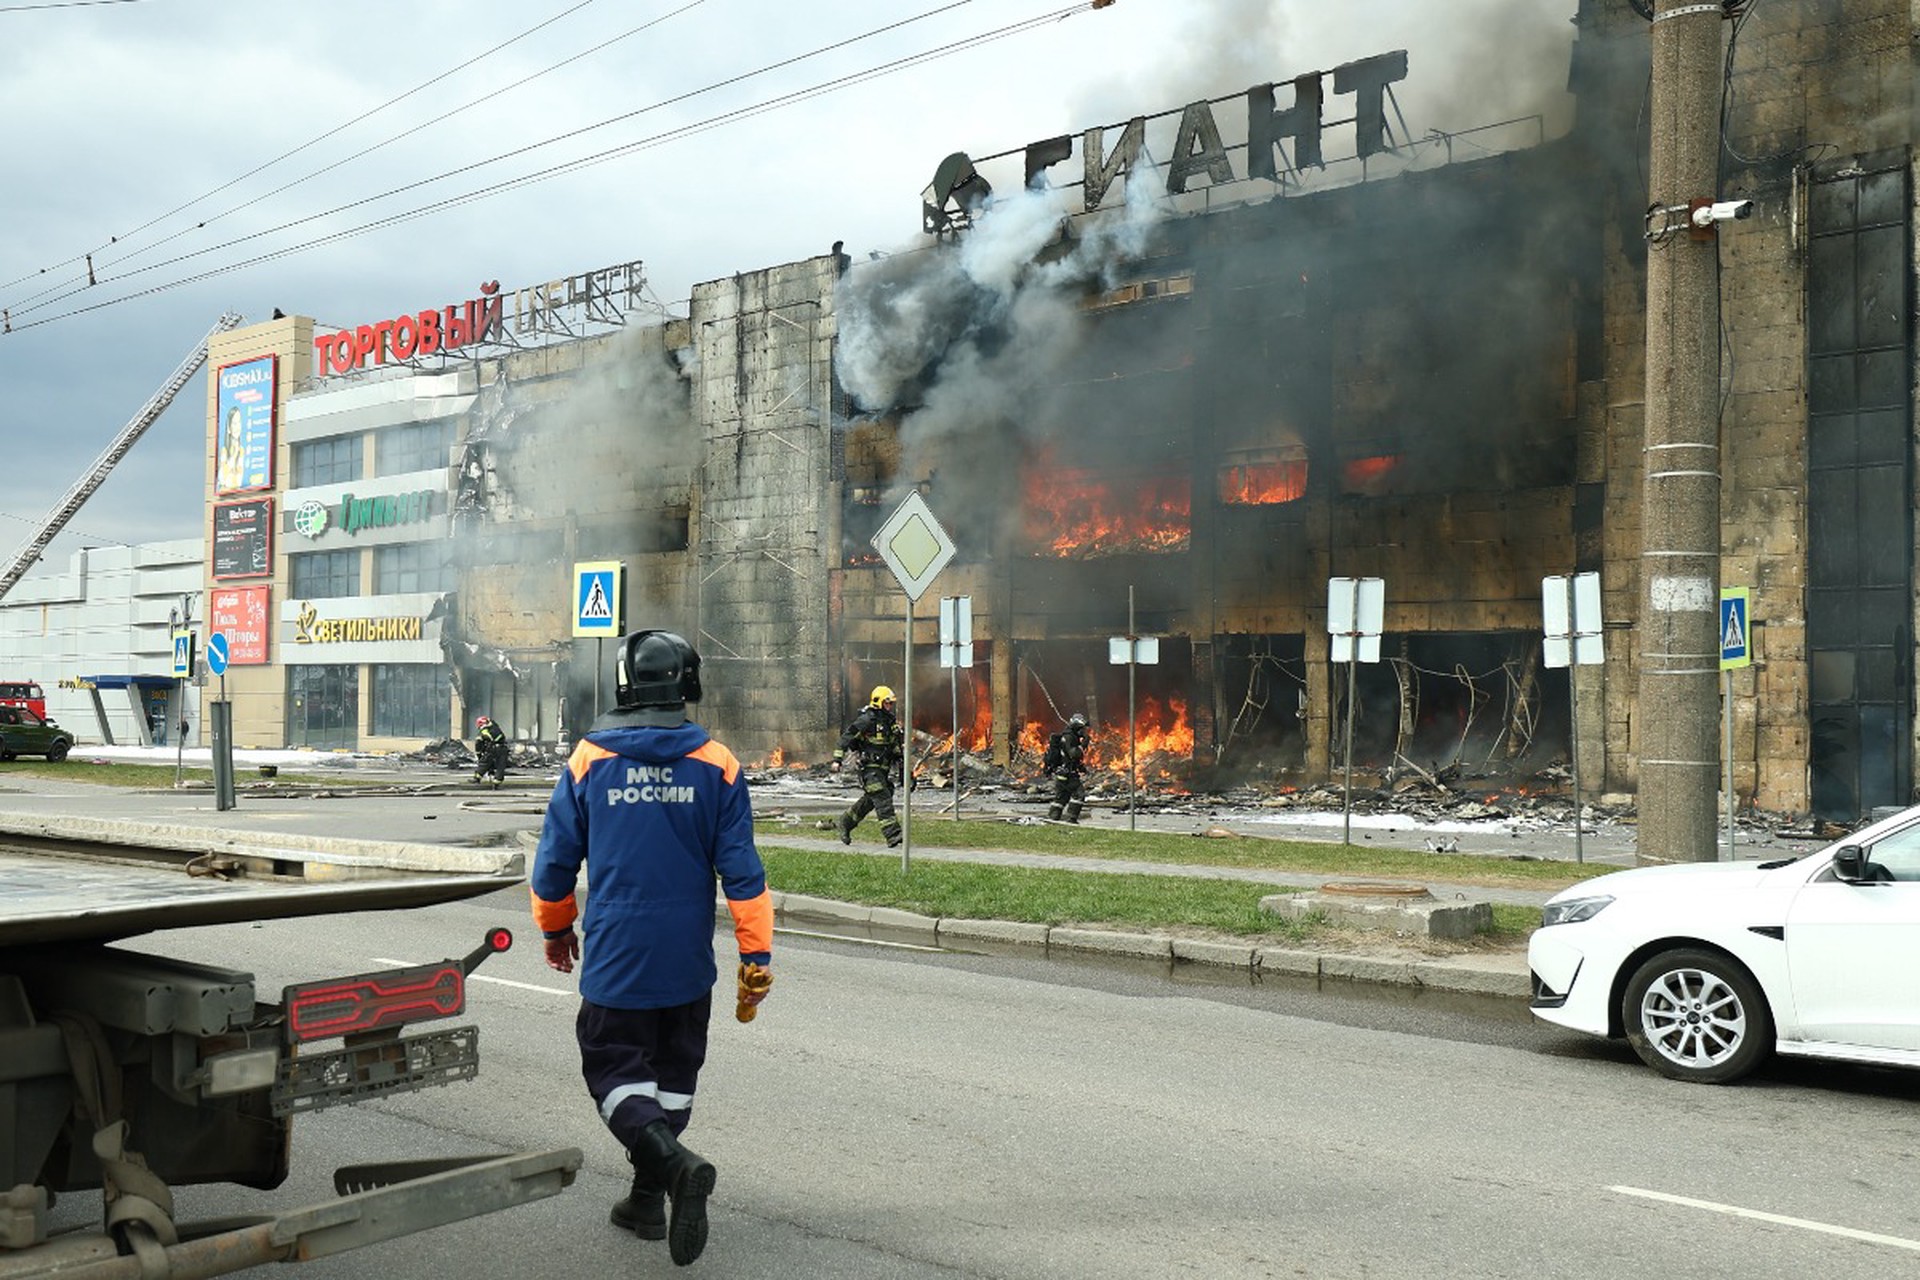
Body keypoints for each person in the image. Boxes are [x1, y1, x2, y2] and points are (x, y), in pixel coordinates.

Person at [530, 630, 773, 1267]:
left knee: (612, 1069)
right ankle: (646, 1200)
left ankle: (673, 1163)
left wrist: (557, 930)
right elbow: (743, 871)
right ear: (687, 684)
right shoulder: (718, 763)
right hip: (688, 962)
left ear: (624, 685)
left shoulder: (588, 760)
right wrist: (757, 954)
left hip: (618, 957)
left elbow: (553, 864)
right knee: (673, 1076)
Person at [832, 684, 905, 848]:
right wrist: (837, 759)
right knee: (881, 796)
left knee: (873, 798)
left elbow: (894, 746)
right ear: (878, 702)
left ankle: (846, 821)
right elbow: (846, 738)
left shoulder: (889, 722)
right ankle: (893, 834)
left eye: (891, 703)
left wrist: (903, 768)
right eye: (887, 703)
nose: (890, 706)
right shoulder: (866, 720)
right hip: (869, 769)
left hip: (883, 769)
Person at [1043, 712, 1091, 823]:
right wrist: (1084, 744)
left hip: (1062, 773)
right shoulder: (1069, 737)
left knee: (1061, 798)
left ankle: (1053, 817)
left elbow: (1069, 758)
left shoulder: (1068, 736)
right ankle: (1072, 818)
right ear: (1077, 727)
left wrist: (1081, 767)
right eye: (1082, 729)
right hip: (1068, 774)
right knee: (1079, 794)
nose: (1083, 731)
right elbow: (1073, 754)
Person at [472, 714, 509, 785]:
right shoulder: (496, 727)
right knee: (501, 765)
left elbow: (479, 743)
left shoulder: (483, 731)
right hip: (503, 748)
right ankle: (497, 782)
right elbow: (501, 737)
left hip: (492, 749)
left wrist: (479, 754)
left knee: (484, 763)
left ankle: (477, 778)